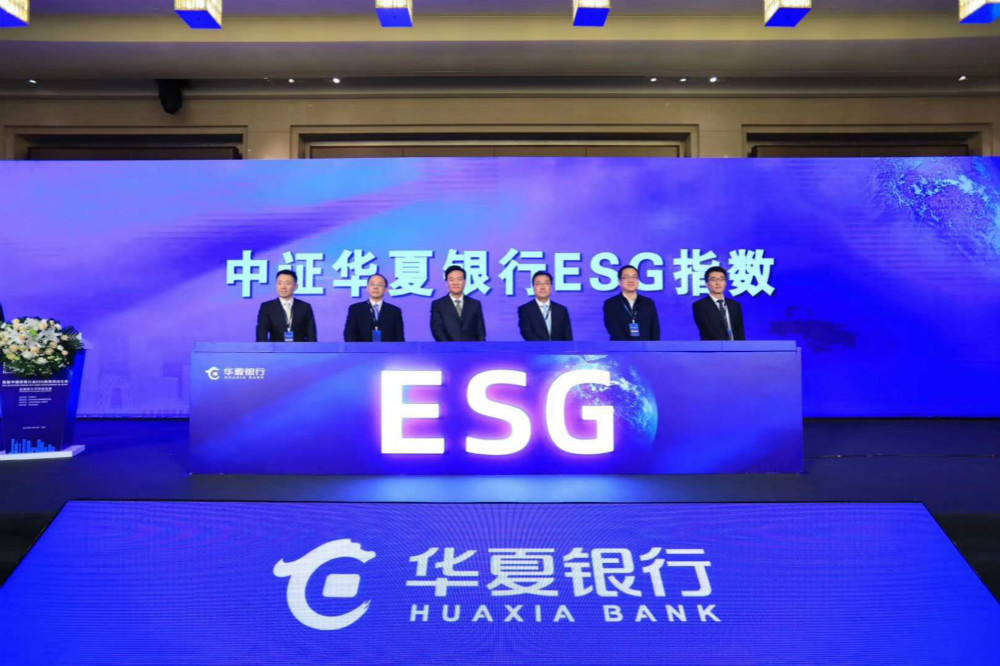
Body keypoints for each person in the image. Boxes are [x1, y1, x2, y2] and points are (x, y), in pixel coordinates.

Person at [255, 269, 317, 342]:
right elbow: (261, 334)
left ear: (295, 287)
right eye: (279, 283)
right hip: (275, 348)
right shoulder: (267, 307)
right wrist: (264, 348)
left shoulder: (305, 307)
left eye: (287, 283)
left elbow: (311, 335)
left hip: (300, 348)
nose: (283, 287)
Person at [602, 264, 661, 341]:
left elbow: (655, 330)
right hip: (621, 347)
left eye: (634, 277)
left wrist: (653, 347)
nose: (631, 280)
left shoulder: (648, 303)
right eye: (626, 277)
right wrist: (630, 346)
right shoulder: (611, 304)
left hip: (645, 347)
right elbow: (613, 329)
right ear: (619, 281)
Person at [430, 265, 486, 341]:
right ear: (447, 282)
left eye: (459, 279)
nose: (455, 283)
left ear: (464, 282)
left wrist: (480, 347)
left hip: (471, 348)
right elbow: (437, 330)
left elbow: (481, 332)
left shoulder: (475, 304)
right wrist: (451, 346)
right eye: (451, 279)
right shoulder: (438, 305)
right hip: (447, 347)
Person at [343, 274, 404, 342]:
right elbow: (349, 334)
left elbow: (399, 337)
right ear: (367, 288)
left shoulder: (394, 311)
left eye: (380, 285)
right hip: (362, 348)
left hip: (387, 348)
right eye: (372, 284)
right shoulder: (355, 309)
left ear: (386, 289)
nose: (375, 287)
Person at [693, 266, 745, 341]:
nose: (718, 283)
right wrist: (724, 345)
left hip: (735, 347)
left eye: (721, 279)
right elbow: (707, 330)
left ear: (725, 283)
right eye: (713, 279)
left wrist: (741, 347)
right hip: (713, 347)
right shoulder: (700, 306)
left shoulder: (735, 305)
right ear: (706, 284)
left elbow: (740, 331)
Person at [518, 271, 572, 341]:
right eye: (538, 284)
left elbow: (568, 336)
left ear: (551, 287)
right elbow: (527, 333)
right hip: (536, 348)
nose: (542, 287)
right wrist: (545, 346)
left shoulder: (561, 310)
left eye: (546, 283)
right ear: (533, 287)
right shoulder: (525, 310)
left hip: (559, 348)